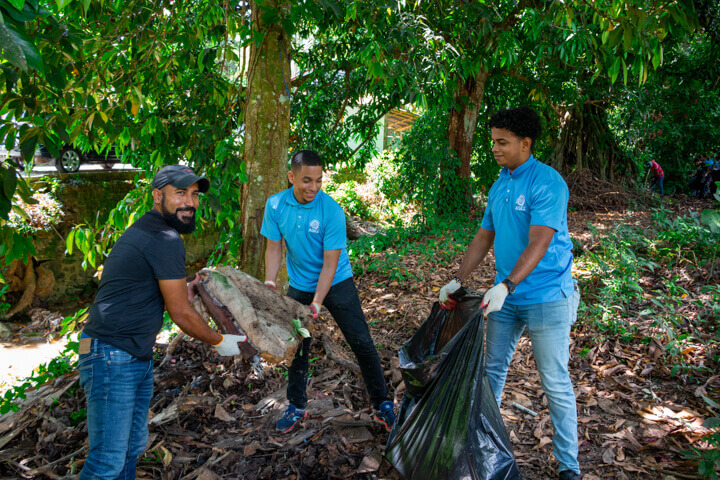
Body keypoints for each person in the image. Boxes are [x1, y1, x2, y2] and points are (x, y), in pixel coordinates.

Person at [78, 165, 248, 480]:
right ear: (158, 196)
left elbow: (154, 286)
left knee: (130, 449)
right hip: (111, 355)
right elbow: (180, 312)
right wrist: (218, 341)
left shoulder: (150, 231)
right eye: (180, 193)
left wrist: (187, 285)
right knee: (107, 462)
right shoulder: (164, 237)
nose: (190, 202)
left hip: (127, 355)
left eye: (194, 195)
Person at [438, 107, 581, 480]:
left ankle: (569, 466)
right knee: (491, 374)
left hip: (547, 296)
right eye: (493, 142)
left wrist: (506, 284)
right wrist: (458, 279)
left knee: (554, 380)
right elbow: (485, 236)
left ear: (525, 143)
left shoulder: (547, 183)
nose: (495, 149)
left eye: (502, 143)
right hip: (505, 296)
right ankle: (482, 450)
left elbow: (539, 241)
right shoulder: (500, 184)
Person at [261, 149, 395, 433]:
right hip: (298, 285)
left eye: (319, 181)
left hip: (336, 282)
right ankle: (296, 405)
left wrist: (318, 303)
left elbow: (330, 264)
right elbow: (274, 247)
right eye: (307, 180)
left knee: (361, 342)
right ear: (291, 177)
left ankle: (382, 403)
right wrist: (270, 282)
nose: (314, 187)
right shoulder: (275, 206)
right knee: (298, 347)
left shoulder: (331, 211)